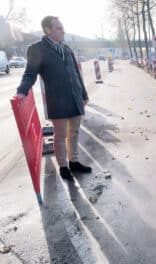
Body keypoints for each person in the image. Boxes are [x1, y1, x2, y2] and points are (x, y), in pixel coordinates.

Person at [16, 16, 91, 181]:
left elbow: (76, 74)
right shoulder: (37, 49)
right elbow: (30, 73)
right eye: (58, 28)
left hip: (75, 97)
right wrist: (22, 91)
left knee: (74, 132)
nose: (62, 30)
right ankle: (64, 167)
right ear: (48, 30)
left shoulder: (67, 48)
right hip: (57, 100)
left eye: (62, 27)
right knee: (60, 135)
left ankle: (74, 162)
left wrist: (84, 95)